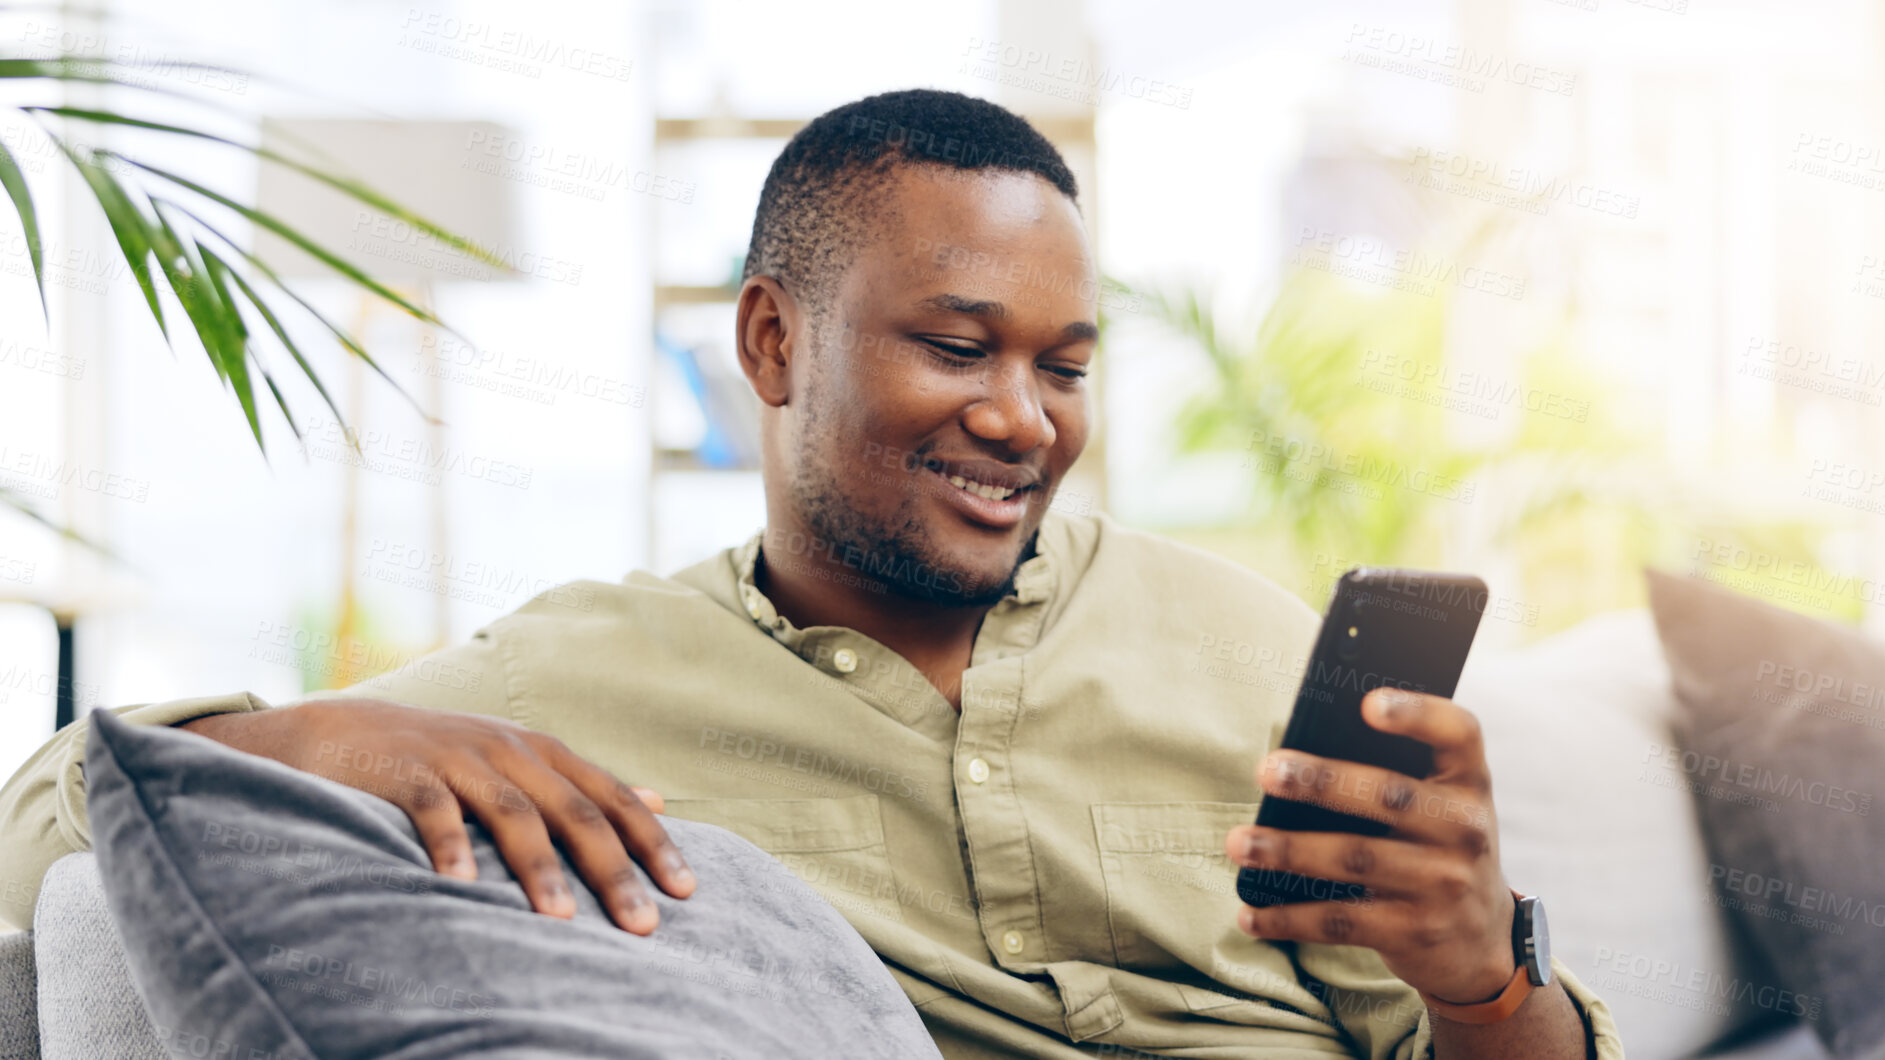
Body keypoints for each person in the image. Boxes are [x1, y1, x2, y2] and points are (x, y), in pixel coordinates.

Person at [0, 89, 1621, 1058]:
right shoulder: (566, 679)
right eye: (955, 345)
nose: (1020, 417)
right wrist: (314, 734)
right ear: (773, 343)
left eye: (1064, 366)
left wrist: (1482, 969)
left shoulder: (1249, 646)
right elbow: (45, 831)